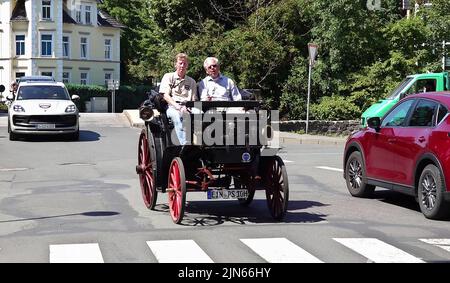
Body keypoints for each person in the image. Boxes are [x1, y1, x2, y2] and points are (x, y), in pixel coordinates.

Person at [159, 53, 197, 145]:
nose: (182, 66)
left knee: (202, 115)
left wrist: (190, 108)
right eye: (180, 63)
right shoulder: (168, 77)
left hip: (188, 106)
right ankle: (185, 145)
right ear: (175, 64)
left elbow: (194, 100)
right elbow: (165, 95)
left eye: (184, 63)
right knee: (178, 116)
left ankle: (201, 144)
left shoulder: (192, 81)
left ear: (187, 65)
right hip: (172, 107)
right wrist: (178, 107)